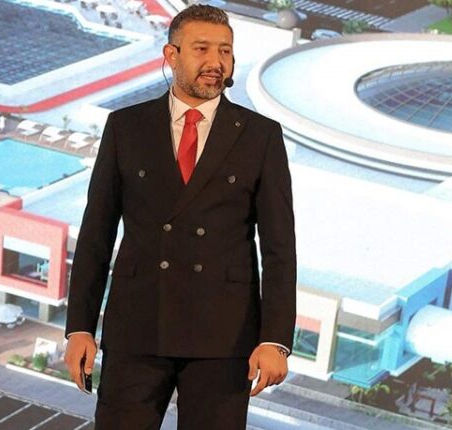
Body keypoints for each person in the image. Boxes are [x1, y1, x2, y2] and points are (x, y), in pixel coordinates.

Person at [64, 5, 296, 429]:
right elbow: (97, 234)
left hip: (224, 337)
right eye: (202, 49)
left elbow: (280, 249)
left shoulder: (261, 136)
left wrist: (275, 340)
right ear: (171, 56)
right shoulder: (126, 127)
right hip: (136, 328)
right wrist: (79, 327)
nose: (216, 62)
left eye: (224, 51)